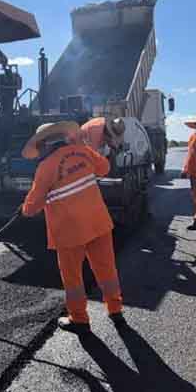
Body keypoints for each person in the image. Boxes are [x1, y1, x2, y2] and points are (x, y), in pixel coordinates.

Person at [21, 120, 126, 334]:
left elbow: (32, 208)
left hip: (69, 232)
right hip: (98, 224)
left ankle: (79, 319)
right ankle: (115, 310)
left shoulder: (45, 168)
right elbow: (104, 168)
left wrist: (24, 207)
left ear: (45, 145)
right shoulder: (83, 152)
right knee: (107, 270)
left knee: (73, 278)